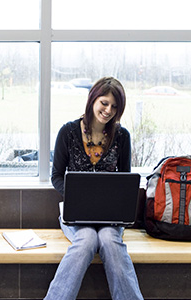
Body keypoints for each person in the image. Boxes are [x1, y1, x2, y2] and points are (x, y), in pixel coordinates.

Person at [44, 77, 144, 300]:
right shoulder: (68, 132)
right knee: (87, 239)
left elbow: (125, 180)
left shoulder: (122, 136)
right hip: (76, 215)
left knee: (109, 239)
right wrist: (75, 197)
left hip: (109, 217)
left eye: (115, 106)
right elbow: (56, 176)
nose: (108, 110)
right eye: (104, 103)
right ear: (92, 100)